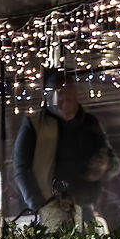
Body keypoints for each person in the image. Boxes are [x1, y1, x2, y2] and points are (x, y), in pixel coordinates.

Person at [11, 71, 112, 219]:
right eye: (60, 96)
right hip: (48, 206)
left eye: (68, 97)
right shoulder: (35, 124)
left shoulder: (90, 123)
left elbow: (112, 161)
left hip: (84, 206)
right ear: (50, 98)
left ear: (76, 96)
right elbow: (20, 168)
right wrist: (38, 204)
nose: (64, 102)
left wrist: (104, 165)